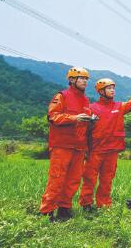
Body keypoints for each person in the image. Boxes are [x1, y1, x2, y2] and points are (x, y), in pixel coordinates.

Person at [79, 79, 131, 210]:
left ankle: (104, 204)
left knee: (107, 180)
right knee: (89, 179)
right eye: (109, 88)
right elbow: (83, 130)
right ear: (101, 91)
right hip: (95, 150)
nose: (112, 90)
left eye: (113, 88)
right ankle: (86, 204)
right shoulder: (92, 108)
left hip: (112, 150)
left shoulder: (119, 106)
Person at [40, 66, 94, 222]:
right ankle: (47, 211)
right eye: (81, 78)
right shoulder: (62, 96)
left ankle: (64, 209)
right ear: (71, 80)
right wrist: (73, 118)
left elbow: (84, 120)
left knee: (73, 180)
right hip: (62, 145)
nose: (84, 81)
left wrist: (91, 120)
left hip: (79, 146)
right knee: (57, 179)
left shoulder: (85, 100)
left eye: (86, 79)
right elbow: (52, 116)